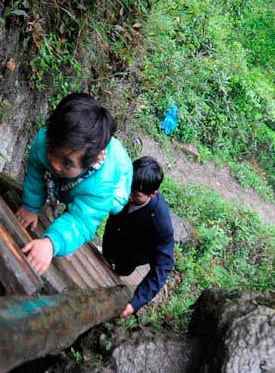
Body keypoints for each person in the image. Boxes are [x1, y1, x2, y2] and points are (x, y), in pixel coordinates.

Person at [15, 93, 133, 275]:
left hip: (117, 180)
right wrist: (31, 206)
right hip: (80, 180)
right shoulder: (46, 141)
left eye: (67, 162)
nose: (54, 164)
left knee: (109, 205)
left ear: (92, 162)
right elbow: (36, 174)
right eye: (52, 151)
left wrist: (52, 242)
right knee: (64, 183)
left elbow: (82, 220)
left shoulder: (102, 185)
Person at [102, 156, 175, 318]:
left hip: (133, 253)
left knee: (122, 270)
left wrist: (135, 302)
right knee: (106, 254)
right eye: (127, 188)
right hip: (114, 234)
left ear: (153, 194)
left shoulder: (161, 222)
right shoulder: (125, 184)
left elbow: (163, 266)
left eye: (135, 195)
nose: (128, 196)